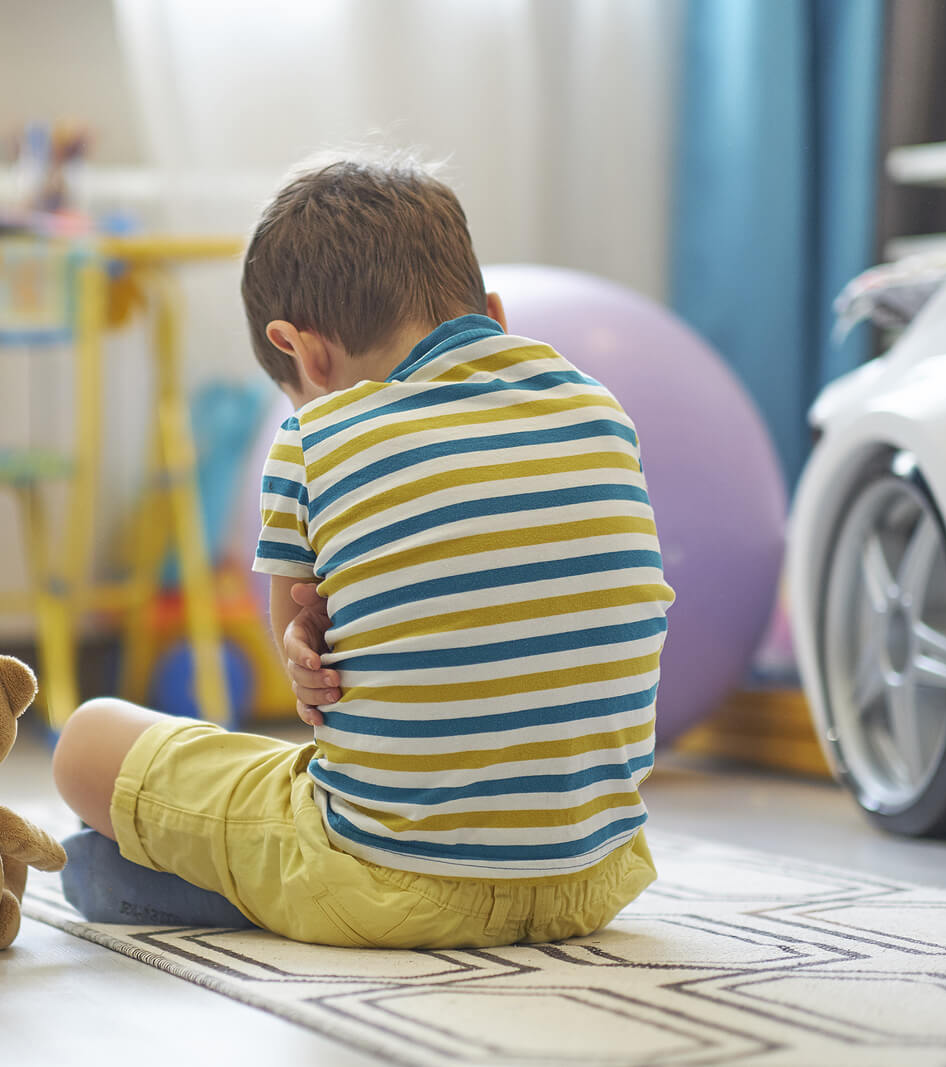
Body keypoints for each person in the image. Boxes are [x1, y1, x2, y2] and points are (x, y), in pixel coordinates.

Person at [51, 156, 673, 948]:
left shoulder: (314, 438)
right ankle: (164, 877)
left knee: (88, 743)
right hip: (593, 875)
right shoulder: (600, 411)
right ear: (492, 313)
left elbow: (306, 674)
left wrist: (301, 645)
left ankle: (166, 882)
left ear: (303, 354)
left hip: (383, 882)